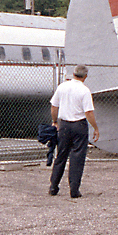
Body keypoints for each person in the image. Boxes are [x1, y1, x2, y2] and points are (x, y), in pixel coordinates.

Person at [49, 65, 99, 199]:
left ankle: (53, 185)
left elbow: (54, 106)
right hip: (79, 124)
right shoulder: (85, 90)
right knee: (77, 157)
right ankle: (74, 189)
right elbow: (88, 112)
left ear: (73, 74)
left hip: (64, 124)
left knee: (61, 155)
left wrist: (55, 121)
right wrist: (95, 127)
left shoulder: (62, 87)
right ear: (85, 76)